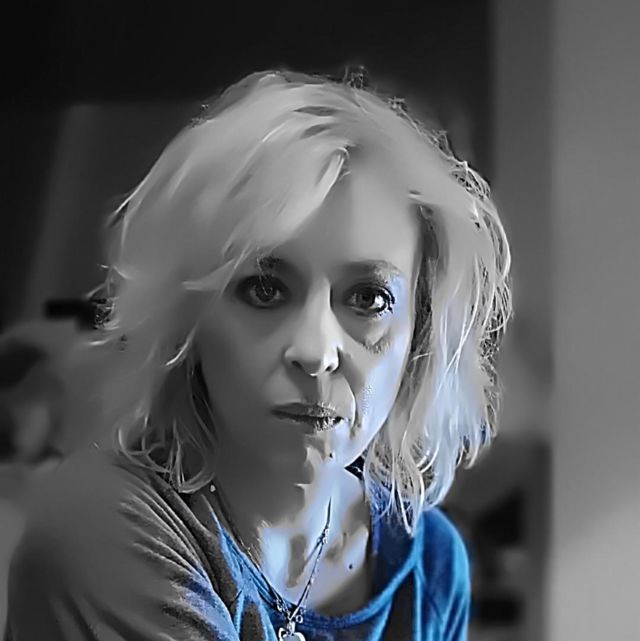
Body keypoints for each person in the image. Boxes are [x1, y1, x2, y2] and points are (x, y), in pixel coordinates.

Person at [3, 66, 512, 640]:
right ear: (188, 318)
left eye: (368, 298)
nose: (316, 352)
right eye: (265, 290)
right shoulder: (102, 529)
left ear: (420, 334)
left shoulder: (429, 565)